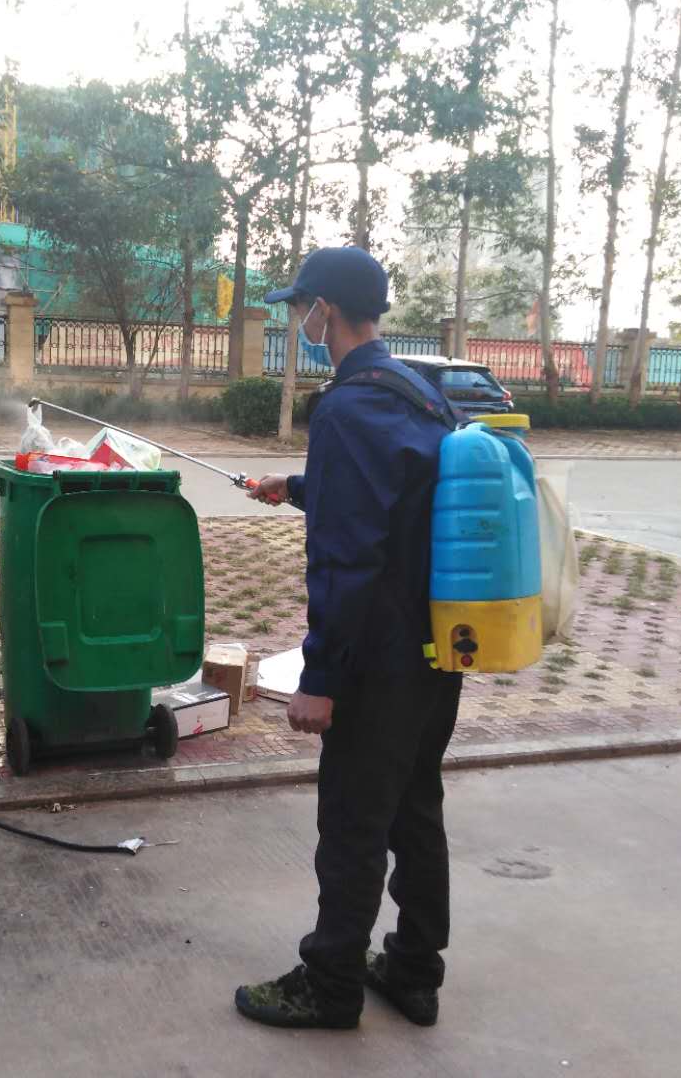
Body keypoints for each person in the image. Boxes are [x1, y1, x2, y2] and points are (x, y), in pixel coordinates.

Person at [233, 246, 464, 1031]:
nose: (298, 321)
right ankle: (414, 973)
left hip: (376, 659)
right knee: (416, 810)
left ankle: (330, 984)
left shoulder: (344, 409)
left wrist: (321, 679)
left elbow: (348, 557)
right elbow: (392, 500)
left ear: (324, 311)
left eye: (301, 308)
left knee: (353, 824)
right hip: (438, 650)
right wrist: (298, 487)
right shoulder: (419, 393)